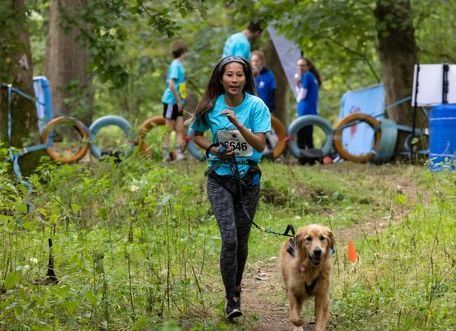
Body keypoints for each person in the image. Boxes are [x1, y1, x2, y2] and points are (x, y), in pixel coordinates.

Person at [191, 56, 271, 319]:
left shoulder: (256, 105)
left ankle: (237, 288)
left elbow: (259, 145)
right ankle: (231, 300)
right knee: (230, 238)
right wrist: (214, 148)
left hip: (248, 180)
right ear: (220, 78)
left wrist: (238, 123)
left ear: (246, 78)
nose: (234, 80)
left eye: (239, 75)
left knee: (242, 241)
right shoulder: (210, 106)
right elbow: (197, 135)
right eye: (229, 75)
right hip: (219, 178)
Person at [161, 40, 188, 161]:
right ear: (182, 52)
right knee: (168, 128)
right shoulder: (175, 65)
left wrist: (183, 97)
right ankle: (165, 154)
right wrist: (178, 101)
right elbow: (171, 84)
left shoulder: (181, 65)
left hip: (179, 102)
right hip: (171, 101)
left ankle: (178, 153)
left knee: (180, 128)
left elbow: (180, 84)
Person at [295, 57, 322, 154]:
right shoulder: (310, 76)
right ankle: (311, 159)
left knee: (301, 137)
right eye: (298, 65)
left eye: (302, 65)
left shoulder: (307, 76)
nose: (300, 67)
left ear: (308, 66)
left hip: (305, 112)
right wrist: (297, 84)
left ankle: (304, 158)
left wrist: (297, 97)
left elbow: (301, 95)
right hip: (309, 111)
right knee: (307, 137)